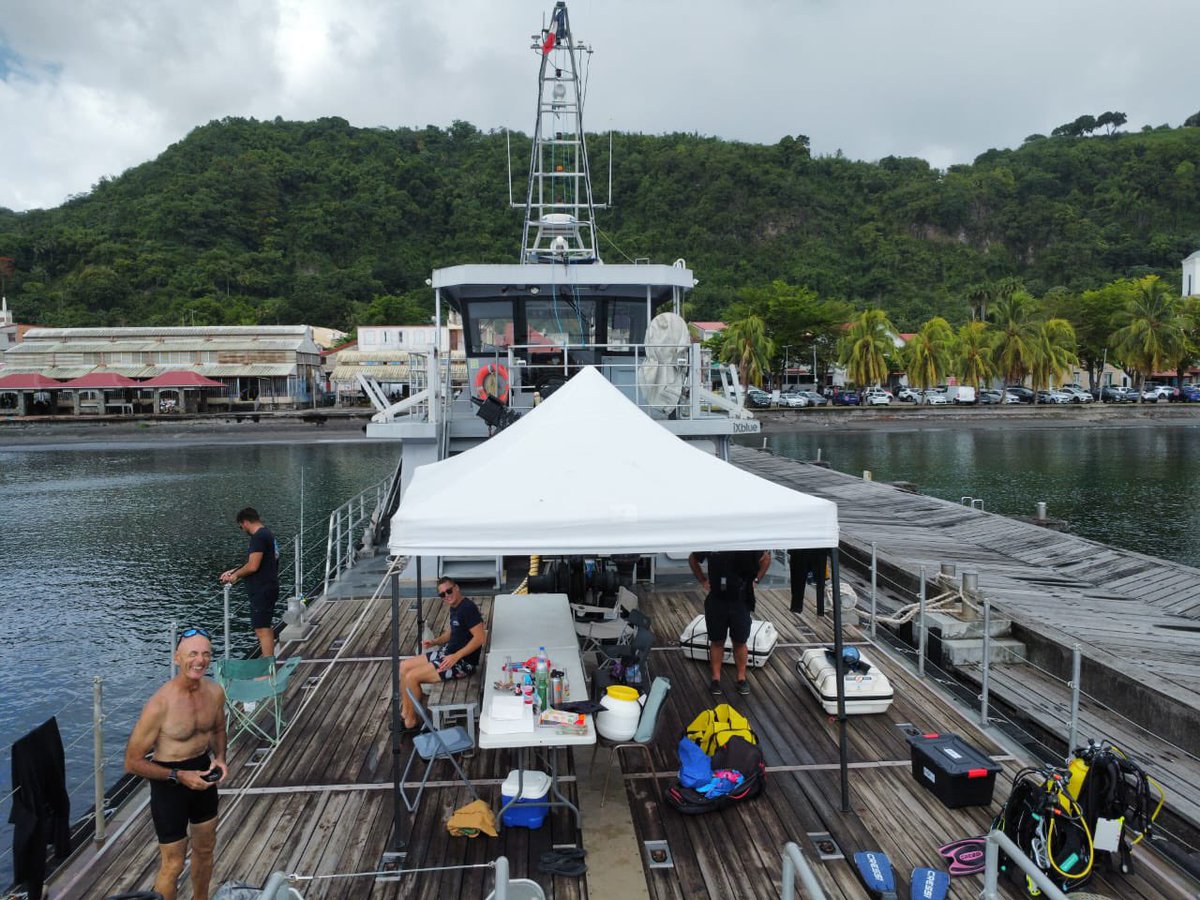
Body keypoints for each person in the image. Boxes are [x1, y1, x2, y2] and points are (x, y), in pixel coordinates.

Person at [124, 627, 228, 900]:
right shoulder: (160, 704)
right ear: (177, 658)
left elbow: (218, 729)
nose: (200, 660)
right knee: (173, 864)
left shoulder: (215, 692)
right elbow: (132, 763)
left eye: (206, 654)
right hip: (169, 784)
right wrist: (179, 776)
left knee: (206, 850)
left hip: (203, 776)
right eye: (192, 653)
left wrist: (220, 758)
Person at [398, 577, 487, 733]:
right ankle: (406, 714)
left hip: (462, 663)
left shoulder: (468, 608)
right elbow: (453, 631)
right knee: (404, 666)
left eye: (449, 591)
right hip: (448, 653)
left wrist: (456, 656)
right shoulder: (455, 607)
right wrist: (434, 642)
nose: (447, 595)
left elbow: (480, 638)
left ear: (457, 588)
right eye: (442, 594)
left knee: (412, 677)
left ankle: (412, 723)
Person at [689, 550, 771, 696]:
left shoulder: (745, 541)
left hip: (741, 598)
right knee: (717, 640)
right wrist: (702, 580)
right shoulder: (713, 540)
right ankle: (715, 679)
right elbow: (692, 558)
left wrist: (756, 580)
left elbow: (765, 559)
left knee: (740, 641)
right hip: (716, 598)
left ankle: (741, 678)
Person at [220, 507, 280, 658]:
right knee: (264, 627)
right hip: (268, 586)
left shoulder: (258, 537)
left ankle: (268, 669)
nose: (243, 529)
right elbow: (261, 562)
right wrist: (235, 571)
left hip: (262, 590)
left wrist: (235, 576)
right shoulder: (267, 534)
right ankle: (269, 665)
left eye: (241, 526)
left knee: (262, 629)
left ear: (245, 522)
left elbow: (253, 566)